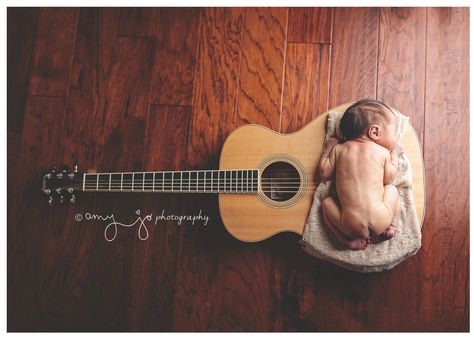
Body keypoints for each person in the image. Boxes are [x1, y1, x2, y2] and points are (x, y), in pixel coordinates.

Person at [319, 99, 404, 250]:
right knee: (392, 190)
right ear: (375, 132)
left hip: (350, 225)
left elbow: (324, 173)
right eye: (393, 130)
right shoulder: (383, 152)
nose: (395, 137)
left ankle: (344, 240)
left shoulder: (339, 150)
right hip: (381, 218)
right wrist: (395, 155)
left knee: (326, 204)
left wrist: (329, 148)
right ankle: (392, 227)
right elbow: (389, 179)